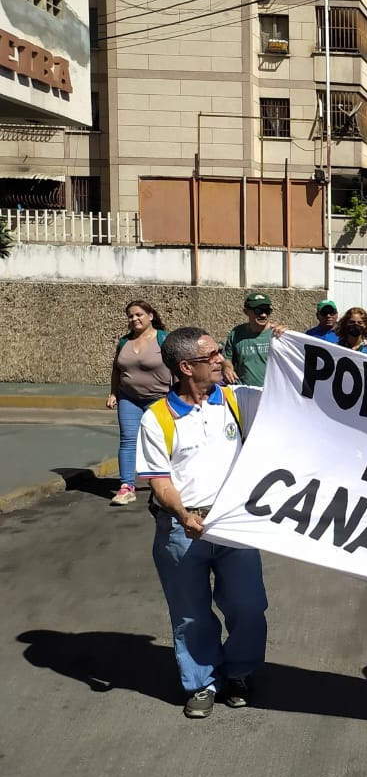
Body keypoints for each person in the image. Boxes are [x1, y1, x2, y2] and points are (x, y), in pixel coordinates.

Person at [137, 327, 267, 718]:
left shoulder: (235, 399)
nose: (220, 360)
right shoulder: (156, 418)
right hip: (181, 529)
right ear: (185, 367)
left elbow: (292, 394)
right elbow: (159, 480)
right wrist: (183, 514)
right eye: (211, 356)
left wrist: (287, 342)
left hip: (234, 524)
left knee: (248, 606)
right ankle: (201, 683)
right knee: (190, 614)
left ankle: (240, 672)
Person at [106, 300, 171, 506]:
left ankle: (167, 482)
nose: (134, 319)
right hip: (129, 399)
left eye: (139, 314)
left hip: (159, 398)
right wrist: (114, 393)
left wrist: (179, 394)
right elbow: (117, 370)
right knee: (128, 440)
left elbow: (177, 368)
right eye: (130, 316)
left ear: (150, 316)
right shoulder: (124, 342)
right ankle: (126, 487)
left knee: (161, 441)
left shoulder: (163, 339)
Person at [222, 292, 277, 386]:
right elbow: (227, 357)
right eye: (258, 310)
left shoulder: (277, 334)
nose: (263, 315)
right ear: (246, 312)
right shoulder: (236, 333)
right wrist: (227, 367)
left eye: (267, 311)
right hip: (244, 392)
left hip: (270, 392)